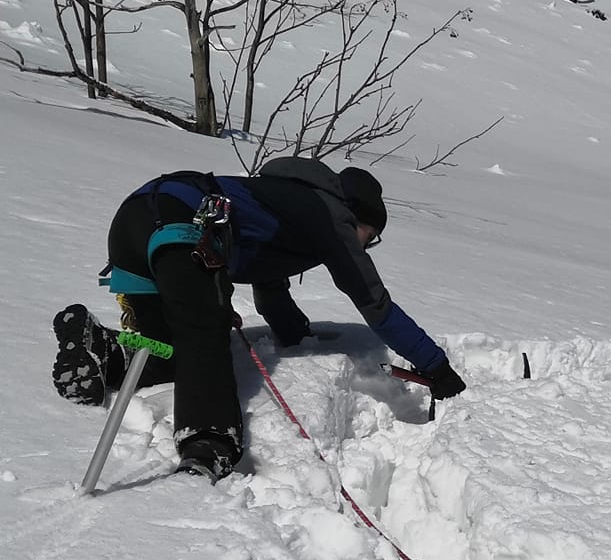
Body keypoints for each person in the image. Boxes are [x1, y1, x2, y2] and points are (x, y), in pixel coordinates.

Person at [50, 156, 464, 480]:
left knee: (172, 351)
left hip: (134, 221)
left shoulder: (279, 201)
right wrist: (436, 367)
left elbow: (271, 293)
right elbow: (375, 303)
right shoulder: (328, 214)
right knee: (204, 334)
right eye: (368, 237)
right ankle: (209, 443)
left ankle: (104, 349)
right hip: (182, 223)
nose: (364, 246)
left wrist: (296, 336)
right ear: (355, 215)